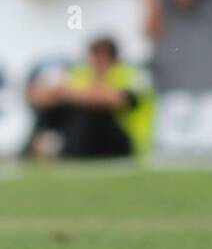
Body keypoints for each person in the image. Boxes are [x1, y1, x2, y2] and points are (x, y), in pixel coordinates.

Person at [24, 37, 155, 159]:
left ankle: (64, 151)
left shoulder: (130, 75)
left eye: (102, 58)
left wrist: (71, 94)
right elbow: (37, 95)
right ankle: (38, 146)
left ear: (113, 59)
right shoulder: (83, 74)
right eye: (94, 57)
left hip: (128, 142)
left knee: (92, 111)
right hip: (94, 139)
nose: (96, 63)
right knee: (59, 109)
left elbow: (117, 100)